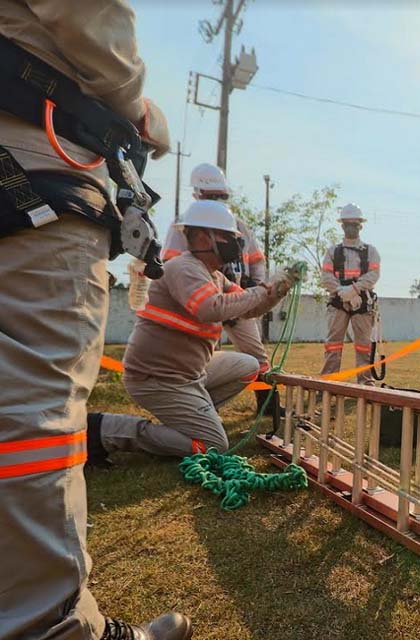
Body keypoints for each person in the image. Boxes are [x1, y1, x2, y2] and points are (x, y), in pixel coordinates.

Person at [0, 1, 193, 638]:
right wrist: (135, 106)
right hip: (34, 162)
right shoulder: (193, 270)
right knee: (36, 419)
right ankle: (51, 625)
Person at [87, 200, 297, 460]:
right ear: (200, 236)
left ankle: (194, 414)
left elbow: (246, 309)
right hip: (158, 379)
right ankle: (105, 430)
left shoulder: (215, 276)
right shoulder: (183, 268)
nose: (235, 243)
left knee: (249, 366)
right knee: (212, 446)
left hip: (187, 373)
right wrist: (264, 289)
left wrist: (276, 292)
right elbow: (210, 307)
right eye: (227, 236)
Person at [161, 162, 277, 416]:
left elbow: (256, 260)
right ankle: (193, 407)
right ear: (197, 195)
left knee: (256, 355)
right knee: (199, 355)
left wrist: (255, 286)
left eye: (220, 196)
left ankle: (268, 407)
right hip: (201, 300)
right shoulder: (185, 225)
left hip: (235, 298)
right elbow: (170, 264)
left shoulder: (237, 224)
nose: (216, 200)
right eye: (211, 196)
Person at [320, 203, 381, 384]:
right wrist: (341, 291)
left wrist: (355, 290)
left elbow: (373, 274)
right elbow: (326, 276)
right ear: (342, 226)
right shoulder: (333, 251)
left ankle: (365, 381)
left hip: (362, 301)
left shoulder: (370, 251)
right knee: (333, 344)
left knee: (364, 345)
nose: (351, 227)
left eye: (354, 224)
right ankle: (329, 380)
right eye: (347, 224)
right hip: (338, 301)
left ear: (360, 226)